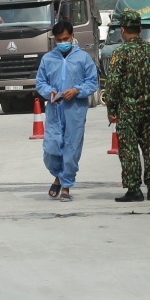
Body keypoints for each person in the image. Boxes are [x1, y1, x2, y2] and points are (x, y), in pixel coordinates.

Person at [103, 9, 150, 202]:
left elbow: (113, 83)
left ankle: (134, 189)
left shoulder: (120, 53)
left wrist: (111, 109)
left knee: (129, 150)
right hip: (149, 110)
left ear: (123, 29)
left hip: (127, 111)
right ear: (140, 29)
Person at [35, 19, 99, 203]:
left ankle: (66, 186)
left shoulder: (83, 58)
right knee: (51, 150)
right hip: (55, 112)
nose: (63, 43)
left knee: (71, 150)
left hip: (75, 112)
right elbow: (41, 82)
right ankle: (58, 176)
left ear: (73, 36)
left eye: (66, 38)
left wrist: (77, 90)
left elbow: (92, 82)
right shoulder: (48, 59)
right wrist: (50, 92)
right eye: (59, 40)